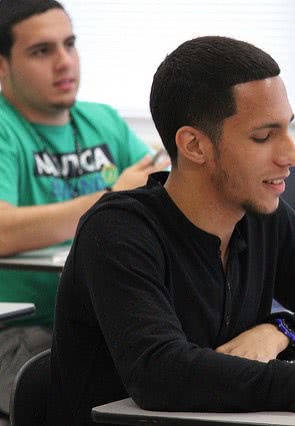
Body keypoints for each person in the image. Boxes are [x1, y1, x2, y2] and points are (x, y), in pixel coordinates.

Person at [47, 35, 295, 424]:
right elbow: (160, 372)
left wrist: (280, 331)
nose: (292, 155)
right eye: (264, 136)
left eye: (288, 128)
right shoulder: (119, 231)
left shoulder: (259, 214)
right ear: (194, 146)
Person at [0, 0, 167, 416]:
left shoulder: (102, 120)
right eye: (42, 51)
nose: (64, 63)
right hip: (23, 331)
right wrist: (111, 196)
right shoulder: (4, 129)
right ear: (2, 66)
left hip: (111, 321)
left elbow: (163, 196)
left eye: (70, 45)